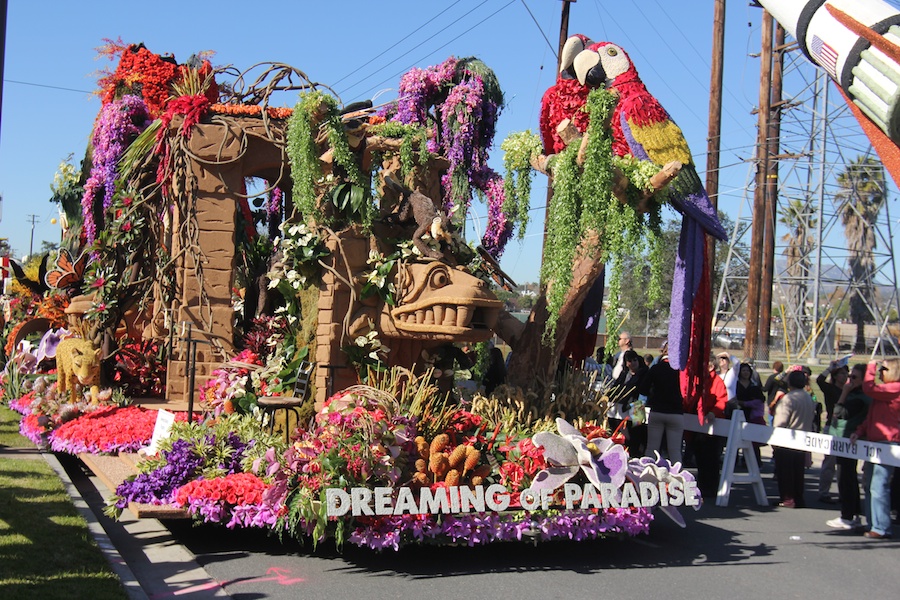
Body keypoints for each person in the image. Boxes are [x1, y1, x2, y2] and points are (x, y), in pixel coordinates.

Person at [851, 359, 900, 539]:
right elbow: (873, 417)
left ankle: (882, 527)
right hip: (874, 443)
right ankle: (873, 523)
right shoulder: (884, 394)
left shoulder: (895, 388)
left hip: (887, 444)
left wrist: (870, 367)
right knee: (870, 485)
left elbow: (869, 388)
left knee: (879, 486)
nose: (880, 372)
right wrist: (859, 431)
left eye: (883, 369)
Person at [826, 363, 871, 530]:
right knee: (848, 477)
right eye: (849, 376)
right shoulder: (860, 395)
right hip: (845, 437)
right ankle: (854, 513)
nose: (849, 380)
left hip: (848, 437)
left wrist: (844, 393)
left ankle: (847, 515)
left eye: (854, 377)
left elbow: (839, 412)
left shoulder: (859, 397)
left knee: (846, 477)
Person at [772, 370, 816, 508]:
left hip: (788, 439)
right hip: (803, 439)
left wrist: (774, 439)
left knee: (785, 472)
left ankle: (787, 498)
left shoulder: (788, 399)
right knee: (798, 472)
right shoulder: (808, 398)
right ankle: (798, 497)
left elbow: (781, 421)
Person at [639, 347, 684, 463]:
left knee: (651, 448)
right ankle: (679, 477)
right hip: (676, 412)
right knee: (675, 451)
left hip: (657, 410)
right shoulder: (681, 370)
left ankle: (646, 476)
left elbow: (643, 389)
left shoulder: (655, 368)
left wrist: (653, 394)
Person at [692, 360, 729, 499]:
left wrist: (713, 412)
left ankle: (711, 488)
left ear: (711, 366)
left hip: (713, 425)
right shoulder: (699, 380)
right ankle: (702, 486)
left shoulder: (717, 381)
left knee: (712, 458)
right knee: (700, 457)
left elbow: (722, 400)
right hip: (698, 424)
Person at [816, 361, 849, 503]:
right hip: (831, 427)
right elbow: (819, 380)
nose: (845, 376)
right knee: (829, 462)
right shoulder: (830, 389)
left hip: (846, 429)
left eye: (846, 373)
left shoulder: (849, 391)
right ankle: (824, 492)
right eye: (842, 373)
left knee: (844, 464)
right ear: (835, 376)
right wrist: (830, 368)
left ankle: (844, 493)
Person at [612, 349, 648, 456]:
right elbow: (616, 387)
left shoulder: (643, 373)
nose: (633, 363)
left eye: (635, 360)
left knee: (637, 433)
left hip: (638, 406)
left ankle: (637, 454)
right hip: (622, 408)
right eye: (630, 361)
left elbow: (643, 390)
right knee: (623, 431)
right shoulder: (624, 374)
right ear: (626, 363)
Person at [735, 362, 767, 466]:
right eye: (743, 370)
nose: (745, 373)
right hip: (737, 413)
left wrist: (744, 403)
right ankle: (734, 461)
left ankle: (753, 462)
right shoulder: (735, 384)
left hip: (751, 415)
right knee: (735, 439)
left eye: (747, 371)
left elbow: (760, 399)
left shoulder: (754, 385)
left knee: (753, 441)